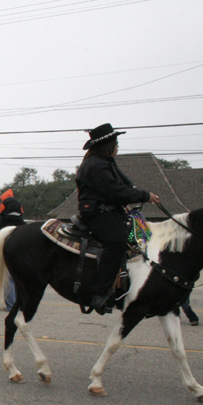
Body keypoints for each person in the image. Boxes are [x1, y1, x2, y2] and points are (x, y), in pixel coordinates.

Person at [76, 124, 160, 315]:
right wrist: (145, 196)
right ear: (108, 145)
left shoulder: (104, 163)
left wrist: (126, 203)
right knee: (117, 241)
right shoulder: (96, 166)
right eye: (116, 143)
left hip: (109, 211)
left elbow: (117, 191)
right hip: (98, 213)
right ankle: (99, 293)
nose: (118, 147)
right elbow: (116, 191)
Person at [0, 190, 25, 311]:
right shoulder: (22, 223)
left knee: (8, 280)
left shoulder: (2, 221)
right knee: (19, 280)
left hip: (6, 253)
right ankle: (20, 304)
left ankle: (10, 304)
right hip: (20, 255)